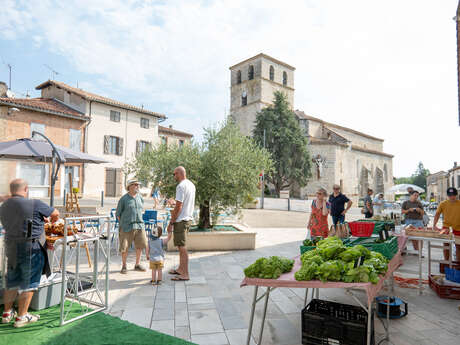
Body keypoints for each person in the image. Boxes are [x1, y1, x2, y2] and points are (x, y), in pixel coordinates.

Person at [0, 179, 59, 327]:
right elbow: (55, 213)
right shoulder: (35, 203)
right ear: (26, 188)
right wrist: (48, 219)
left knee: (12, 280)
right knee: (30, 282)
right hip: (31, 247)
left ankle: (7, 313)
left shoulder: (4, 205)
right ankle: (22, 317)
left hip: (11, 246)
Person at [168, 166, 196, 281]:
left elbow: (179, 207)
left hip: (181, 220)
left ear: (179, 173)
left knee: (182, 247)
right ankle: (180, 269)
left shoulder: (180, 186)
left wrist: (171, 222)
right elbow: (183, 203)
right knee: (181, 246)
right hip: (187, 218)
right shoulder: (191, 184)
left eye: (174, 174)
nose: (174, 176)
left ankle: (185, 274)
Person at [116, 179, 148, 274]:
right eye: (135, 185)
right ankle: (124, 266)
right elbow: (118, 214)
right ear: (129, 186)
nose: (137, 186)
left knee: (140, 245)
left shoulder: (140, 197)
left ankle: (137, 264)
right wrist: (123, 223)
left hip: (139, 225)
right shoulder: (123, 199)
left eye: (138, 185)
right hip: (126, 226)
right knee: (124, 247)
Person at [433, 187, 460, 261]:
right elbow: (437, 214)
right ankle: (446, 261)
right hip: (446, 228)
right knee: (446, 245)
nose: (452, 197)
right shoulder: (443, 204)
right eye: (450, 195)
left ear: (456, 195)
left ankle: (458, 264)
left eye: (454, 195)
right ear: (447, 195)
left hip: (458, 228)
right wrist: (434, 225)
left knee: (458, 246)